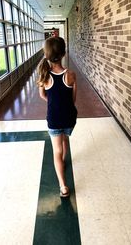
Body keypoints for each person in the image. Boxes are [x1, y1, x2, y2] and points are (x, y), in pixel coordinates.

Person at [37, 37, 77, 197]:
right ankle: (64, 161)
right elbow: (73, 99)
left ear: (46, 55)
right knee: (65, 140)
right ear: (63, 54)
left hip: (53, 118)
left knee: (57, 151)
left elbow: (42, 95)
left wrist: (52, 101)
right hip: (69, 118)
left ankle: (63, 187)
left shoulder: (45, 76)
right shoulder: (71, 74)